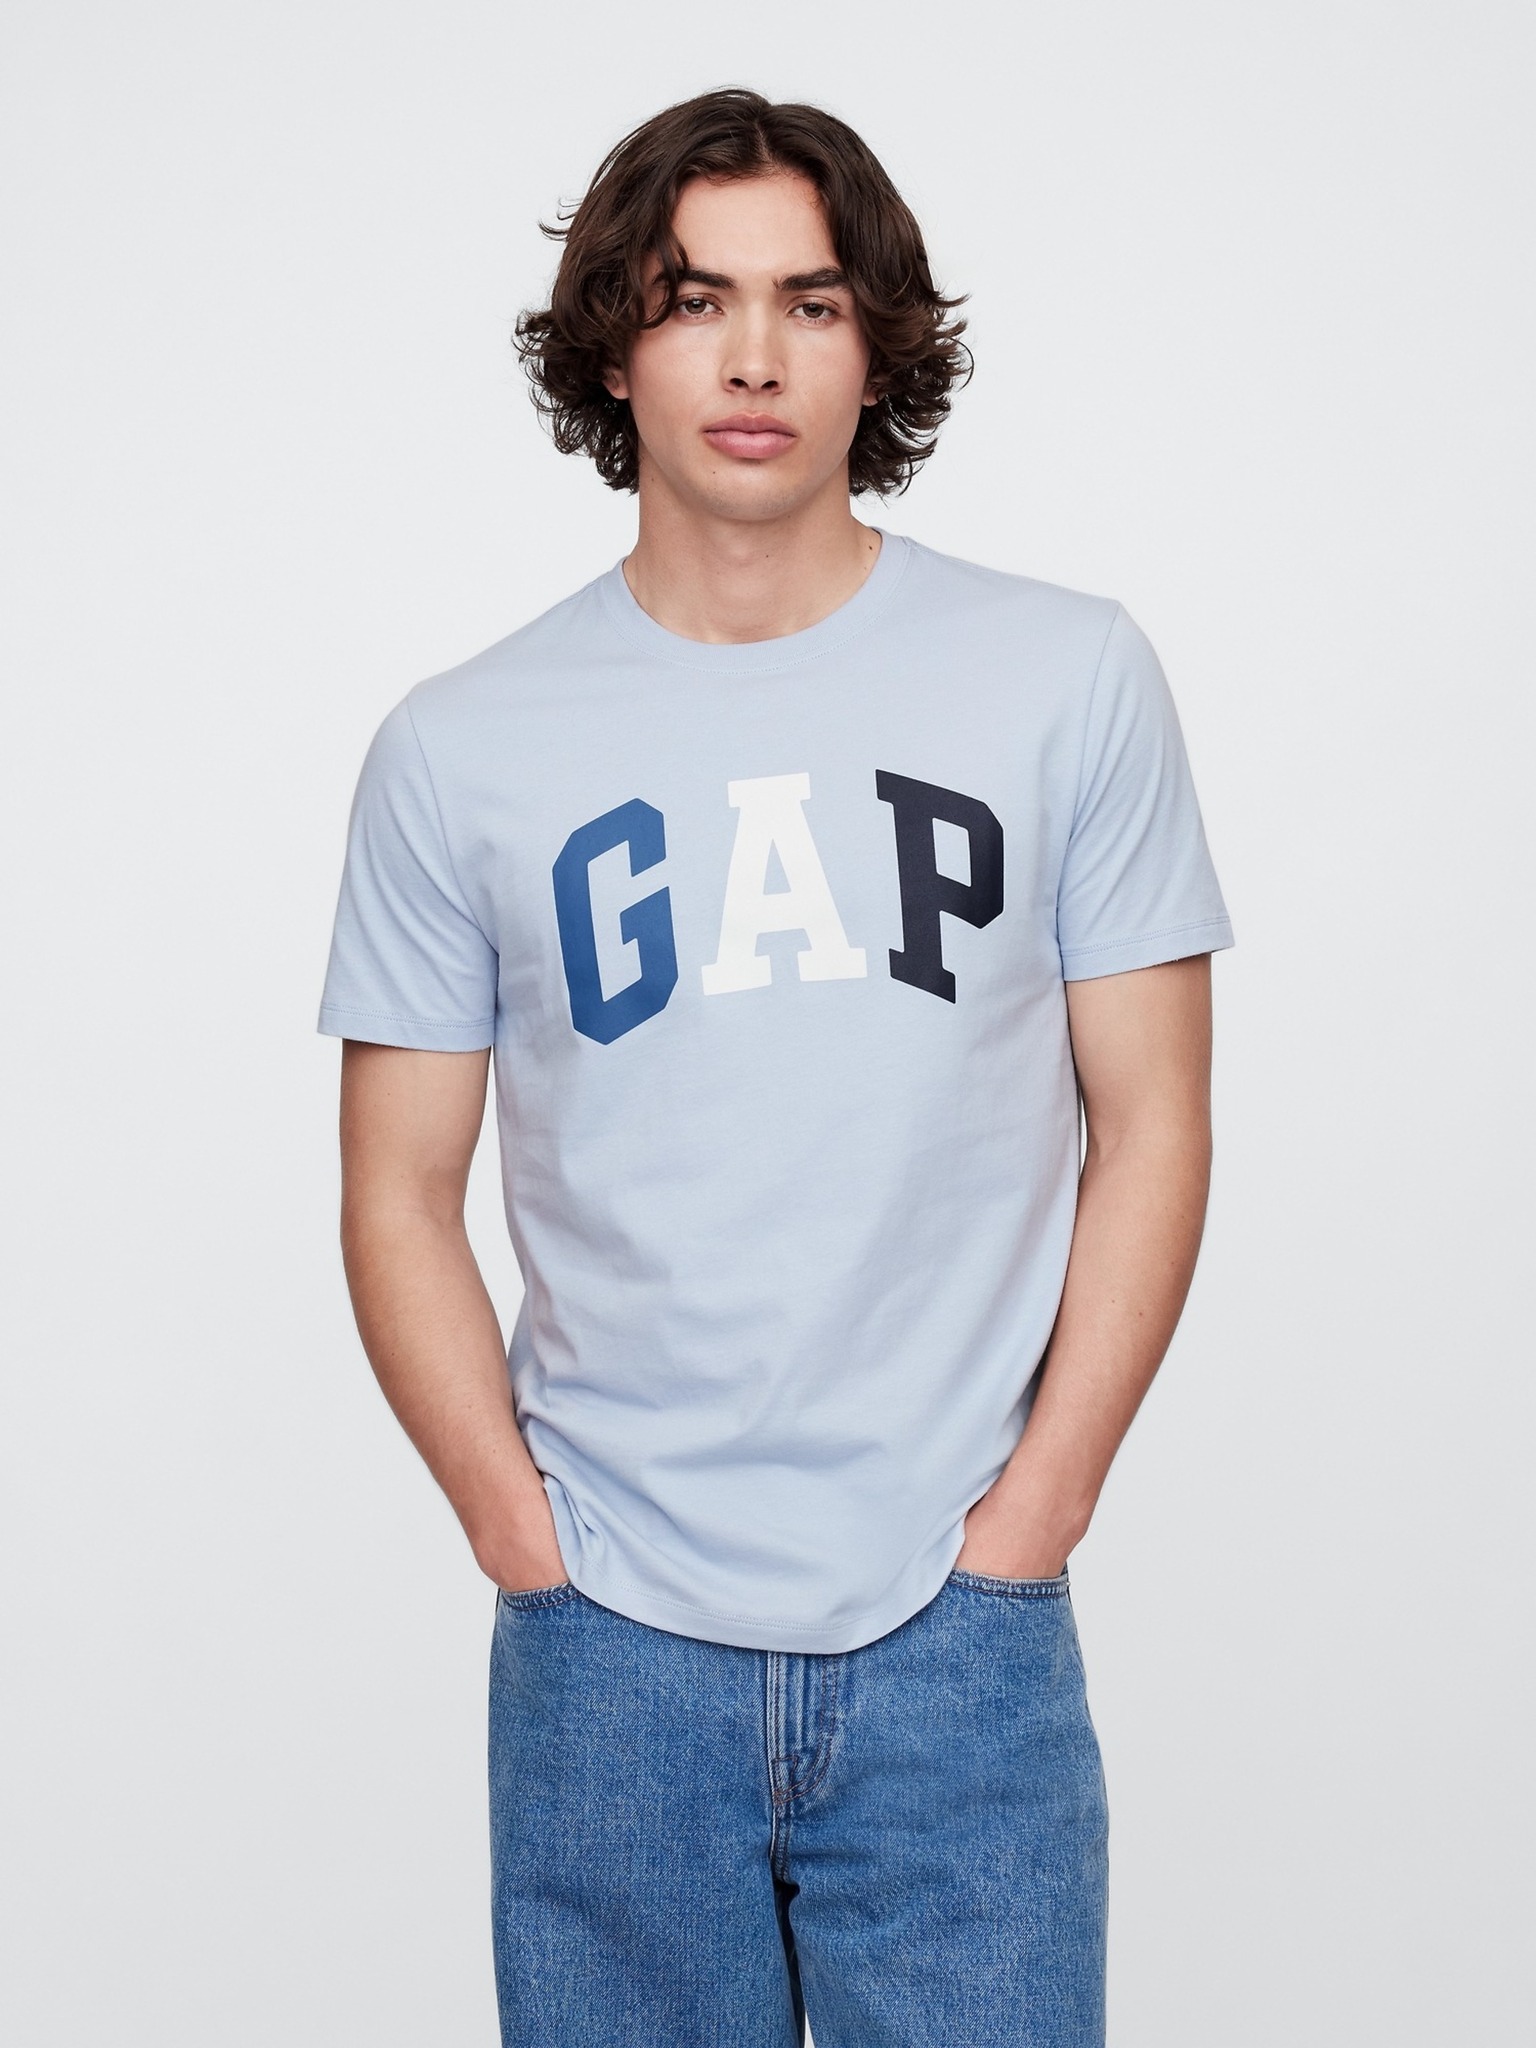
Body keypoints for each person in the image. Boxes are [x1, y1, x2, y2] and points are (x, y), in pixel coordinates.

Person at [318, 85, 1233, 2048]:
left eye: (810, 303)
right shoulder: (458, 748)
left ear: (877, 345)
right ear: (613, 348)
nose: (752, 357)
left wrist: (1037, 1515)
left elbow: (1156, 1119)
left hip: (958, 1633)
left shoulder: (1067, 677)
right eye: (693, 299)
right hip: (612, 1651)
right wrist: (521, 1541)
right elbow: (393, 1186)